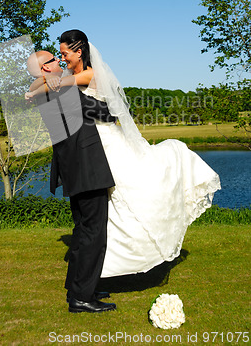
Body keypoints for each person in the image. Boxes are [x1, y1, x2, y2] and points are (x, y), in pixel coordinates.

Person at [28, 30, 221, 280]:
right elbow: (41, 82)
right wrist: (36, 87)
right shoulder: (68, 74)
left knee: (129, 193)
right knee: (108, 208)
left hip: (105, 142)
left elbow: (63, 85)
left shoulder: (89, 74)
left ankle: (125, 255)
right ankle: (101, 269)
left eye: (64, 54)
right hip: (90, 147)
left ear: (79, 51)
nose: (62, 59)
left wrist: (45, 85)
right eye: (59, 56)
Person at [25, 50, 117, 313]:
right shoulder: (61, 91)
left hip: (74, 170)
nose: (61, 61)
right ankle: (81, 298)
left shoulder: (46, 91)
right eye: (54, 60)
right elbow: (101, 112)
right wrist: (116, 106)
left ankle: (78, 286)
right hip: (87, 170)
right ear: (45, 69)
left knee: (82, 232)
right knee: (93, 234)